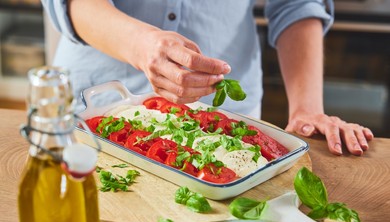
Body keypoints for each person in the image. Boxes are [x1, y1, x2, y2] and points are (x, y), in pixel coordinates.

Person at [41, 0, 373, 156]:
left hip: (225, 114)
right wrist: (141, 45)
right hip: (94, 104)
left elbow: (297, 3)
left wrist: (307, 109)